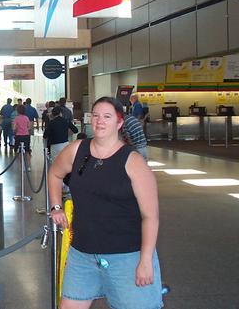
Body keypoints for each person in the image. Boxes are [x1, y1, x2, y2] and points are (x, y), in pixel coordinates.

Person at [48, 96, 163, 309]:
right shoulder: (77, 150)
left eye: (107, 117)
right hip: (82, 254)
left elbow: (150, 216)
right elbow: (54, 174)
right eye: (96, 116)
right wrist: (56, 206)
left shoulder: (133, 161)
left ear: (119, 123)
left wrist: (146, 260)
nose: (100, 121)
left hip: (126, 257)